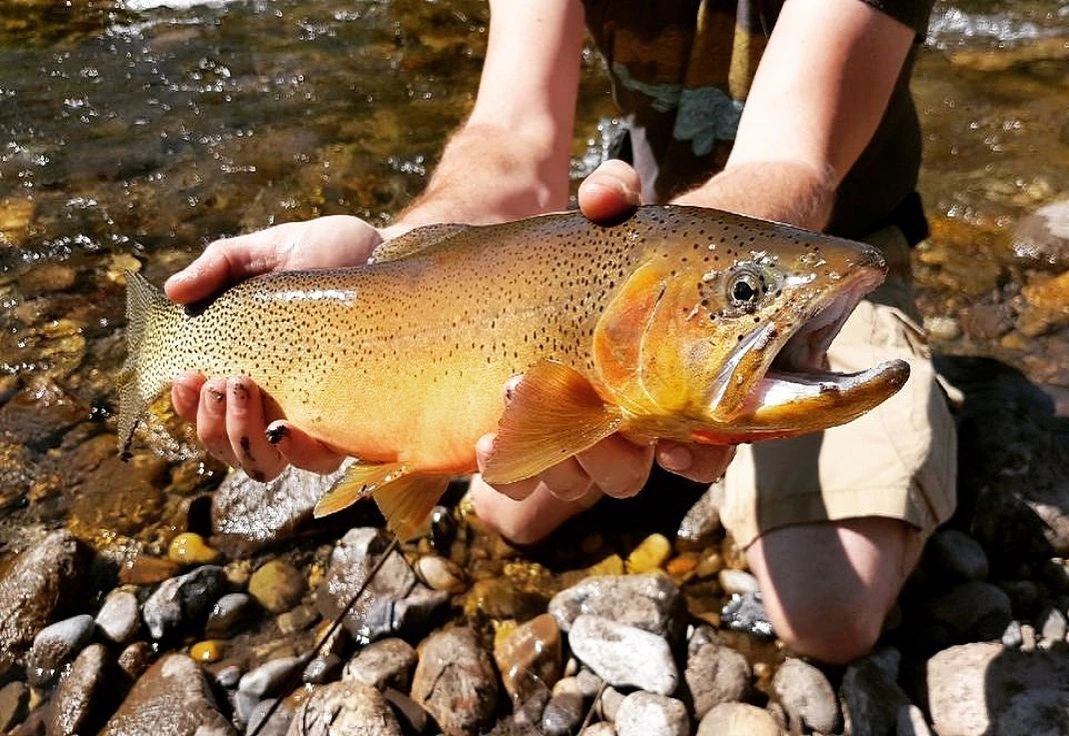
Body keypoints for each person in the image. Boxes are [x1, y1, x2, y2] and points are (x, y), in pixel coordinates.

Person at [164, 0, 956, 664]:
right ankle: (673, 444)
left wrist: (710, 305)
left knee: (827, 611)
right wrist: (391, 257)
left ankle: (937, 422)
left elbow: (792, 160)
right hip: (608, 274)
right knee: (502, 511)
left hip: (818, 265)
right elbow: (511, 139)